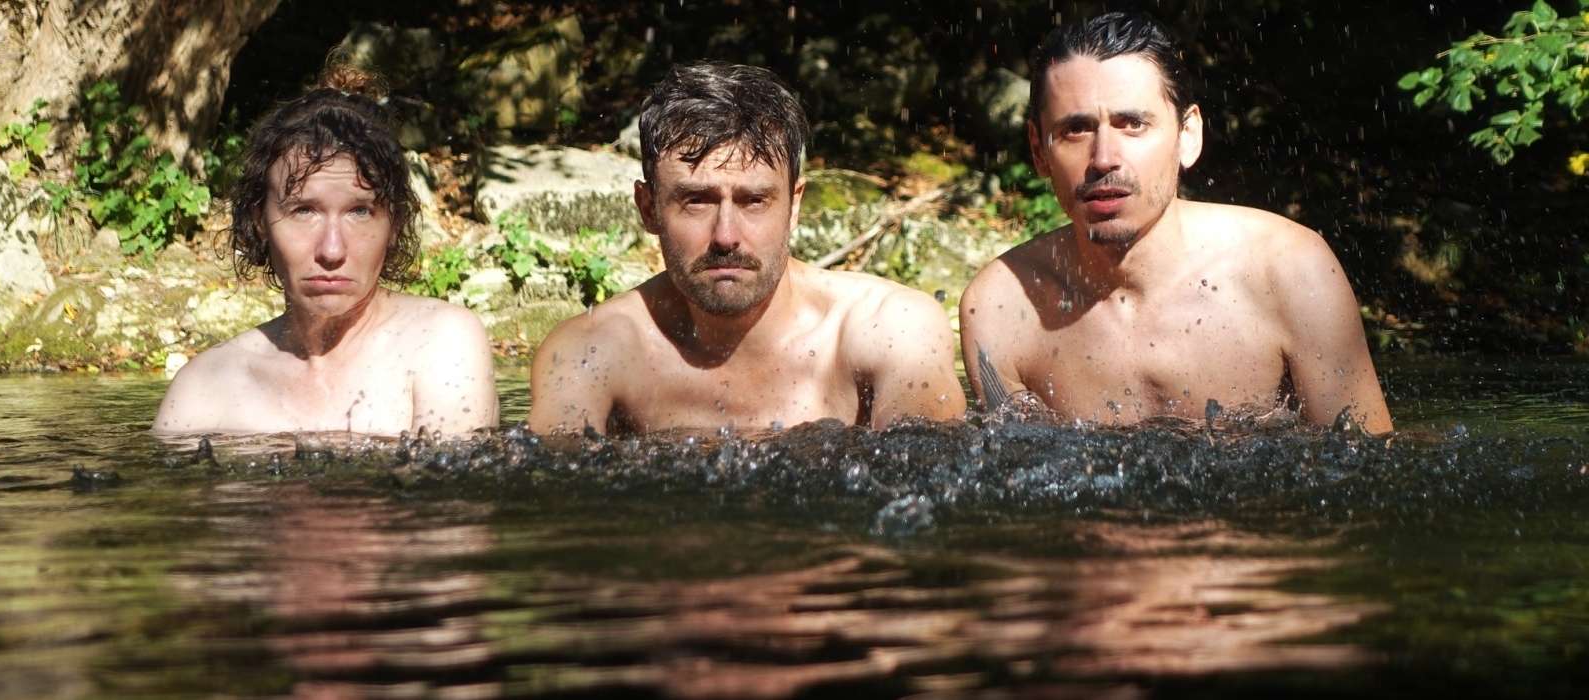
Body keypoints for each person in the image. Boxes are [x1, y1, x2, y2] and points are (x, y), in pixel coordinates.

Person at [960, 12, 1392, 433]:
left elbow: (1369, 465)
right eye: (1076, 129)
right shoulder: (1002, 309)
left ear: (1188, 135)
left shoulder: (1289, 271)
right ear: (1039, 150)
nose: (1104, 158)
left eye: (1133, 124)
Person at [528, 61, 964, 435]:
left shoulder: (887, 328)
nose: (726, 236)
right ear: (648, 208)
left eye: (754, 201)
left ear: (794, 206)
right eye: (696, 201)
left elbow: (923, 484)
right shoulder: (592, 352)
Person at [154, 65, 498, 435]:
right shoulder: (204, 391)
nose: (332, 250)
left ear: (395, 224)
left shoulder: (440, 345)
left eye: (359, 212)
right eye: (304, 211)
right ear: (258, 221)